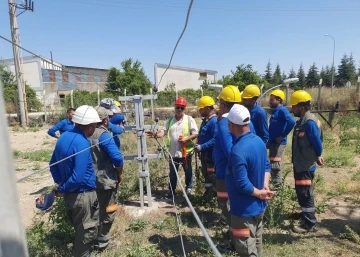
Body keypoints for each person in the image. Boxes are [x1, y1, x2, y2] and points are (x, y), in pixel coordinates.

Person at [49, 105, 101, 257]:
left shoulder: (64, 136)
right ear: (90, 126)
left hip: (71, 197)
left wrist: (61, 186)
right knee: (87, 234)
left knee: (80, 230)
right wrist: (63, 188)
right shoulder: (82, 142)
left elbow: (52, 164)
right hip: (83, 196)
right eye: (95, 126)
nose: (95, 129)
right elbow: (78, 177)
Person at [226, 104, 273, 256]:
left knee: (246, 249)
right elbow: (267, 165)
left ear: (232, 125)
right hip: (258, 207)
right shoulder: (259, 141)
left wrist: (259, 193)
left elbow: (242, 184)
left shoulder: (238, 150)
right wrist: (264, 186)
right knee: (257, 243)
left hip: (243, 210)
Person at [214, 85, 258, 232]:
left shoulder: (223, 124)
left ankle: (231, 230)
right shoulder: (246, 120)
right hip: (242, 169)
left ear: (223, 104)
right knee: (235, 202)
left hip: (226, 171)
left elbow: (229, 151)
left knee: (226, 202)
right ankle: (235, 228)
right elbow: (253, 142)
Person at [146, 97, 198, 197]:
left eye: (181, 108)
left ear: (184, 109)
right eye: (178, 107)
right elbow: (163, 132)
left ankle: (189, 188)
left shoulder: (189, 120)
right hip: (173, 152)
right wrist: (156, 134)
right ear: (175, 107)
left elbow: (195, 133)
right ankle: (171, 190)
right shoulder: (170, 121)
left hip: (185, 152)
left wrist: (186, 139)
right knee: (173, 173)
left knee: (188, 171)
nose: (179, 109)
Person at [89, 106, 124, 250]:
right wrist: (120, 174)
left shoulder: (84, 133)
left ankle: (91, 239)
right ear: (105, 120)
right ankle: (102, 242)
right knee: (109, 208)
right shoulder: (103, 135)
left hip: (89, 180)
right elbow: (117, 157)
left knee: (93, 210)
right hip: (105, 180)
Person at [290, 90, 324, 233]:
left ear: (301, 107)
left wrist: (318, 155)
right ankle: (306, 215)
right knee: (302, 191)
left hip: (305, 164)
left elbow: (317, 143)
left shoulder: (309, 123)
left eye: (294, 107)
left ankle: (309, 223)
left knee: (305, 192)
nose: (292, 109)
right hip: (301, 163)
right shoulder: (303, 121)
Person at [268, 89, 295, 188]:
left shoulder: (282, 110)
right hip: (272, 142)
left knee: (276, 165)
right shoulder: (276, 111)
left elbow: (292, 122)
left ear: (279, 100)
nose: (269, 102)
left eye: (272, 100)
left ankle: (277, 187)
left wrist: (282, 135)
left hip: (278, 143)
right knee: (272, 163)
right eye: (270, 100)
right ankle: (275, 184)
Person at [194, 96, 218, 196]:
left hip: (211, 155)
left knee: (212, 175)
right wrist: (198, 144)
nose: (199, 110)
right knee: (206, 174)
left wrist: (202, 147)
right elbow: (201, 134)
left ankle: (216, 194)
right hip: (205, 154)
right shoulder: (206, 120)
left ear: (208, 108)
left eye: (201, 108)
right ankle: (208, 192)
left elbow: (215, 139)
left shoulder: (214, 121)